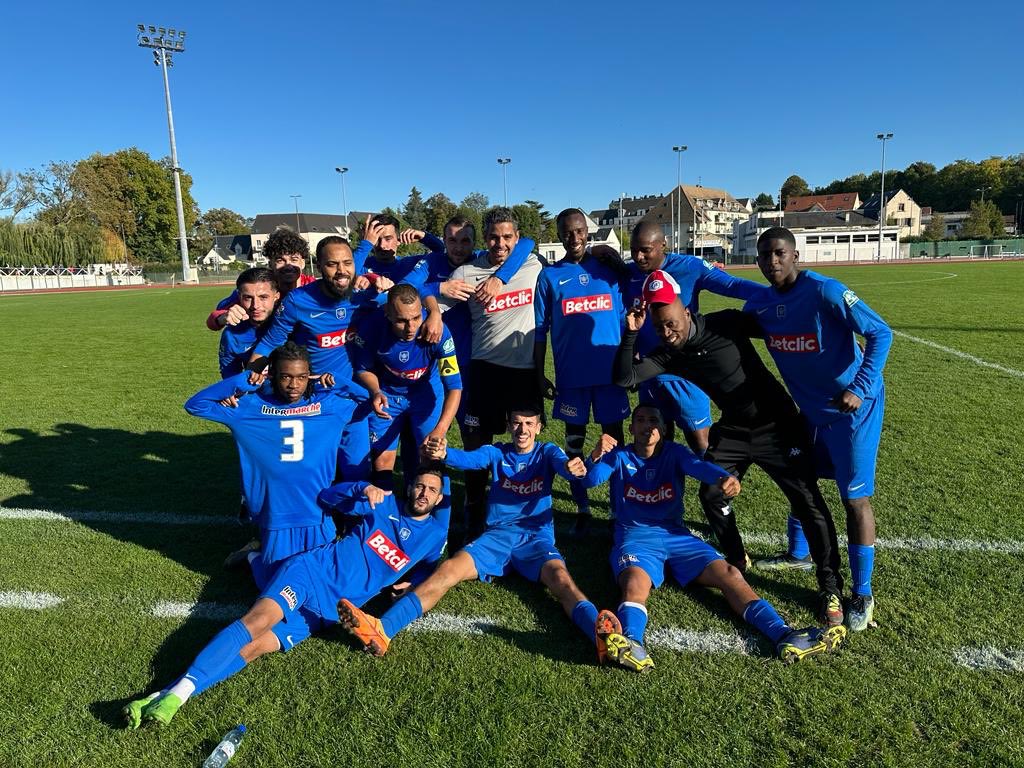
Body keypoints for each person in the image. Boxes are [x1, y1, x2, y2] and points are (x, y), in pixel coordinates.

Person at [122, 467, 450, 728]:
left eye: (432, 490)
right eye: (420, 485)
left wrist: (413, 582)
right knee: (257, 621)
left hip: (329, 611)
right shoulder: (382, 504)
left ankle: (159, 695)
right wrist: (361, 488)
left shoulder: (434, 536)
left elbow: (430, 567)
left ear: (438, 499)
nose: (423, 493)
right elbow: (328, 497)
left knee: (253, 649)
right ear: (410, 486)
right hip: (311, 572)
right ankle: (177, 696)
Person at [613, 270, 846, 626]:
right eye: (659, 327)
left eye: (672, 323)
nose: (667, 332)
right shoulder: (669, 355)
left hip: (779, 426)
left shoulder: (729, 324)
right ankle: (737, 559)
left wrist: (832, 342)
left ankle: (830, 586)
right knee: (711, 493)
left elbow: (785, 331)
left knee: (807, 500)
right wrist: (631, 332)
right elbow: (625, 378)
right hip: (735, 430)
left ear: (687, 311)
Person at [336, 406, 645, 671]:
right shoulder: (497, 451)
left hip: (535, 539)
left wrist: (584, 460)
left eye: (529, 423)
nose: (522, 429)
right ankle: (383, 630)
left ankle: (601, 637)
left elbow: (572, 472)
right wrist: (445, 454)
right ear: (509, 425)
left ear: (538, 427)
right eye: (517, 423)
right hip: (496, 538)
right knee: (448, 570)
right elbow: (470, 460)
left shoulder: (548, 451)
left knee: (562, 580)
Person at [582, 405, 846, 666]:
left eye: (654, 420)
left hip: (677, 536)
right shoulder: (618, 456)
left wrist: (722, 478)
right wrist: (596, 454)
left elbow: (699, 466)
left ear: (663, 429)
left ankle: (784, 634)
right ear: (631, 428)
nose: (647, 426)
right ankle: (631, 643)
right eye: (640, 420)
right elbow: (589, 481)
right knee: (634, 584)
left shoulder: (675, 453)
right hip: (635, 537)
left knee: (730, 574)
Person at [745, 227, 892, 631]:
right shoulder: (761, 305)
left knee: (854, 499)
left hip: (853, 412)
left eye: (779, 253)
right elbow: (740, 326)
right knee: (802, 480)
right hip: (809, 412)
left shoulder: (826, 291)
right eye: (764, 256)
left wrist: (859, 388)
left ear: (795, 255)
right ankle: (798, 552)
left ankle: (862, 594)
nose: (772, 262)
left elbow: (881, 332)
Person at [184, 342, 357, 582]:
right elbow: (195, 405)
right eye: (286, 376)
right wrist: (241, 381)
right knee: (275, 586)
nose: (294, 385)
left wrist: (338, 381)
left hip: (317, 513)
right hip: (275, 515)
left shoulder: (329, 406)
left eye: (302, 377)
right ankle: (253, 557)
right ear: (272, 375)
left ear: (310, 376)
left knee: (320, 582)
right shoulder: (247, 408)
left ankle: (257, 555)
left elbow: (372, 401)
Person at [437, 207, 544, 540]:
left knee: (523, 442)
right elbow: (429, 304)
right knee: (475, 442)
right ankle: (474, 506)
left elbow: (530, 243)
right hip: (484, 371)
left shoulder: (532, 264)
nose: (500, 244)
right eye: (494, 237)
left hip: (524, 372)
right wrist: (434, 296)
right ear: (484, 239)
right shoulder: (467, 273)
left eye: (507, 237)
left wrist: (500, 279)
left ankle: (521, 506)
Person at [624, 221, 767, 454]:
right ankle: (660, 491)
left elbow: (733, 285)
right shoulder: (628, 273)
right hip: (650, 373)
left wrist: (777, 295)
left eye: (645, 250)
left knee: (701, 443)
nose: (638, 257)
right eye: (634, 250)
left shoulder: (690, 266)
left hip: (687, 372)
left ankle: (716, 487)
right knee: (655, 446)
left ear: (663, 245)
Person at [247, 236, 379, 479]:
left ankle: (352, 518)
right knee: (314, 473)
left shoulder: (365, 295)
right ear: (319, 267)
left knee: (357, 472)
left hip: (351, 398)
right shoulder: (298, 301)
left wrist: (433, 306)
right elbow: (269, 343)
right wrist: (246, 382)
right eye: (332, 264)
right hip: (313, 399)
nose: (341, 271)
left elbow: (407, 297)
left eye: (347, 263)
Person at [533, 208, 629, 536]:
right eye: (567, 232)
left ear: (587, 232)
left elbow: (624, 321)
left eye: (579, 231)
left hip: (609, 378)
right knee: (574, 447)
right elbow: (539, 331)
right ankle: (583, 509)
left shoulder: (608, 272)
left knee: (615, 444)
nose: (574, 238)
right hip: (571, 379)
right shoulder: (549, 277)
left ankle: (618, 511)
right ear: (559, 234)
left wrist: (630, 366)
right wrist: (537, 372)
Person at [350, 284, 463, 491]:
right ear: (387, 313)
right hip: (388, 396)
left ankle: (435, 519)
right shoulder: (372, 327)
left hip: (425, 396)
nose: (411, 327)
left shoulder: (437, 330)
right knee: (382, 462)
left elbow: (455, 386)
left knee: (432, 457)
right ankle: (384, 518)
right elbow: (362, 369)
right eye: (402, 321)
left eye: (416, 318)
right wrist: (375, 391)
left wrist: (441, 429)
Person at [206, 228, 315, 331]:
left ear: (303, 263)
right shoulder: (258, 290)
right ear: (270, 264)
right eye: (280, 260)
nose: (288, 266)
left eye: (294, 259)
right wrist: (223, 317)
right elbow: (213, 320)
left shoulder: (315, 288)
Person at [217, 267, 280, 378]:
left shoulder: (288, 324)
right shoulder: (232, 335)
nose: (255, 305)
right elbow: (230, 377)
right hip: (255, 393)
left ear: (276, 297)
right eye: (248, 298)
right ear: (239, 298)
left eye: (263, 297)